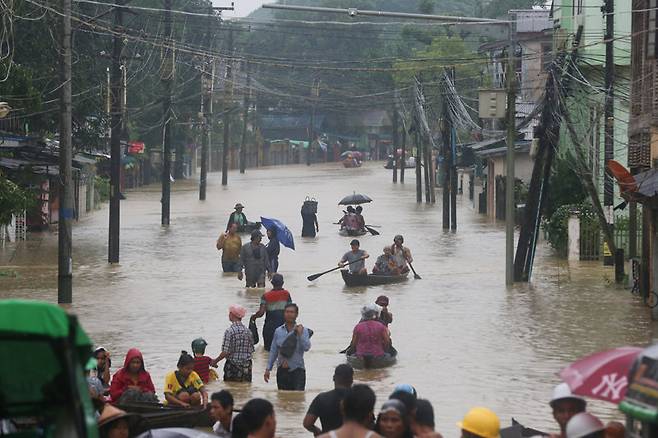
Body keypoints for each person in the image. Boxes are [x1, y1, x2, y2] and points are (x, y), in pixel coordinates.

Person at [265, 303, 311, 391]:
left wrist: (300, 335)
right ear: (284, 313)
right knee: (282, 399)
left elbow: (307, 347)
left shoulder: (303, 330)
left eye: (292, 312)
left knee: (297, 399)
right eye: (287, 312)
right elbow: (273, 351)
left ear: (296, 314)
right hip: (282, 371)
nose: (289, 314)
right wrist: (268, 369)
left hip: (298, 371)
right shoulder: (278, 331)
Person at [304, 364, 354, 435]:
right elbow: (369, 423)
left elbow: (307, 423)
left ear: (333, 378)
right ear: (351, 380)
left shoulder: (321, 398)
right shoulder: (359, 399)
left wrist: (317, 431)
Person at [212, 304, 255, 382]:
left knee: (231, 391)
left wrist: (215, 361)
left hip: (233, 367)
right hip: (247, 367)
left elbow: (225, 352)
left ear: (232, 315)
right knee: (245, 391)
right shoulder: (248, 331)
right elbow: (251, 350)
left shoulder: (229, 331)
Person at [251, 273, 292, 351]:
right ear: (282, 283)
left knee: (268, 353)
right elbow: (290, 311)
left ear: (272, 283)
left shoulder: (266, 296)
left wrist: (254, 317)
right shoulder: (286, 294)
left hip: (269, 329)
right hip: (284, 328)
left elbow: (261, 313)